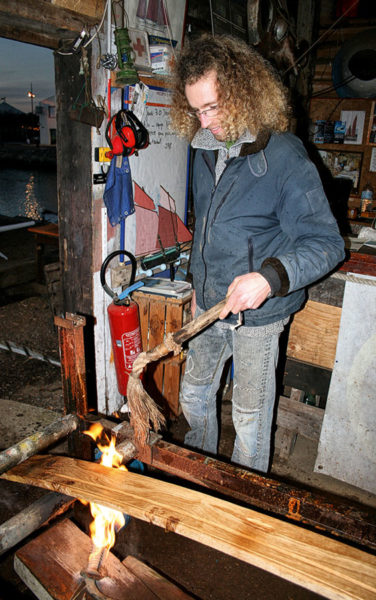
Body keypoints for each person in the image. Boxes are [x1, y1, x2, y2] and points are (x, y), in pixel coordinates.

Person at [169, 34, 345, 473]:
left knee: (248, 420)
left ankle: (244, 507)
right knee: (193, 395)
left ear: (244, 91)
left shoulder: (285, 155)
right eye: (196, 110)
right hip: (210, 307)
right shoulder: (204, 152)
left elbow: (327, 243)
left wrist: (268, 278)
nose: (205, 121)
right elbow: (205, 232)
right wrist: (197, 286)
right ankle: (203, 475)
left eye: (213, 107)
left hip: (258, 319)